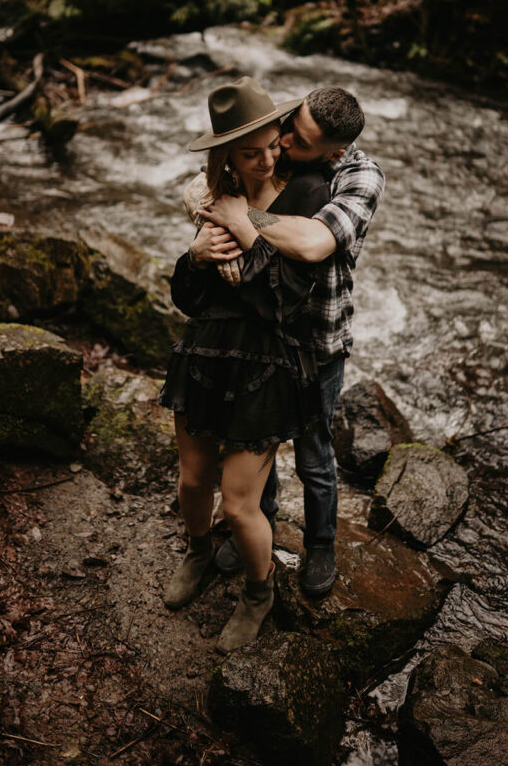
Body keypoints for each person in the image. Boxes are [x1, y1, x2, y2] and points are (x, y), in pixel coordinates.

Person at [159, 76, 332, 652]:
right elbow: (189, 298)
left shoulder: (308, 192)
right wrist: (196, 255)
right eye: (250, 152)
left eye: (272, 145)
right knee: (191, 481)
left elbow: (288, 297)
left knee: (239, 502)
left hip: (267, 362)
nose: (266, 158)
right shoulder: (217, 192)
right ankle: (198, 551)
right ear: (227, 154)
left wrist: (242, 231)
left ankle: (259, 592)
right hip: (205, 352)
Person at [196, 87, 385, 597]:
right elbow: (213, 170)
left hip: (318, 341)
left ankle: (321, 543)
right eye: (287, 124)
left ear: (331, 152)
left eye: (295, 141)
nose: (279, 142)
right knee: (259, 443)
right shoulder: (283, 134)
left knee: (313, 452)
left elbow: (312, 241)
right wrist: (205, 211)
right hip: (264, 334)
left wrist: (241, 218)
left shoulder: (358, 176)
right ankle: (259, 523)